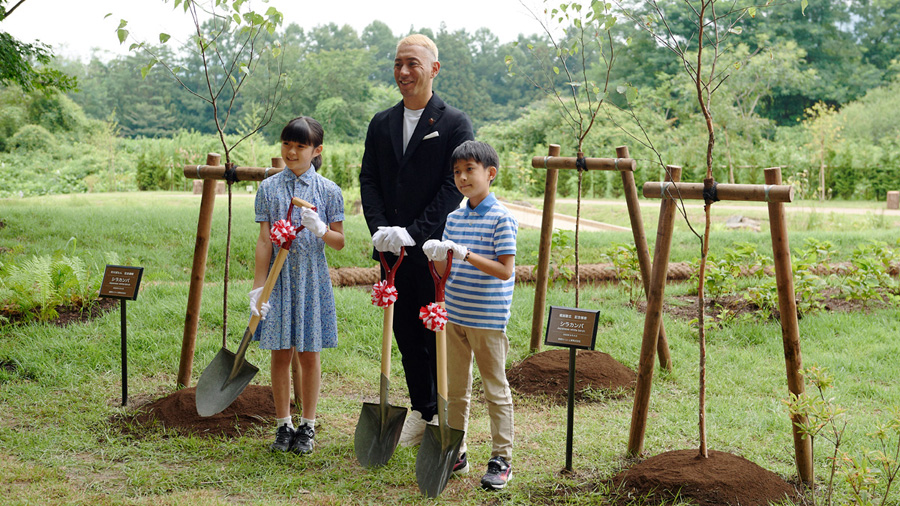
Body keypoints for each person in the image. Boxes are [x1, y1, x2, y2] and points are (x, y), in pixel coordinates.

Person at [359, 33, 474, 446]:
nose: (403, 72)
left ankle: (446, 416)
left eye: (413, 63)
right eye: (397, 64)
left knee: (434, 332)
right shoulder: (381, 122)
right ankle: (423, 410)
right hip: (391, 250)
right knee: (405, 333)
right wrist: (380, 228)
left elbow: (452, 185)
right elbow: (369, 179)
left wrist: (415, 231)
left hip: (432, 251)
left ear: (434, 69)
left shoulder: (454, 122)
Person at [422, 140, 517, 491]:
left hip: (488, 318)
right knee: (455, 388)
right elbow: (446, 266)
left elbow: (505, 270)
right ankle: (456, 449)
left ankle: (501, 458)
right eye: (457, 172)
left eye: (470, 170)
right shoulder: (454, 217)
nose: (462, 178)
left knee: (495, 388)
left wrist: (466, 254)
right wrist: (437, 255)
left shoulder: (501, 218)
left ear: (490, 173)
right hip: (455, 313)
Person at [251, 116, 344, 454]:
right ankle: (282, 424)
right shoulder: (269, 189)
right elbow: (264, 241)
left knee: (308, 354)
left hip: (312, 281)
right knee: (279, 353)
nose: (291, 151)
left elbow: (339, 242)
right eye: (287, 144)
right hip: (278, 283)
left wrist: (320, 228)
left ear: (316, 150)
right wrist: (259, 289)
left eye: (300, 146)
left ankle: (308, 425)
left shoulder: (329, 191)